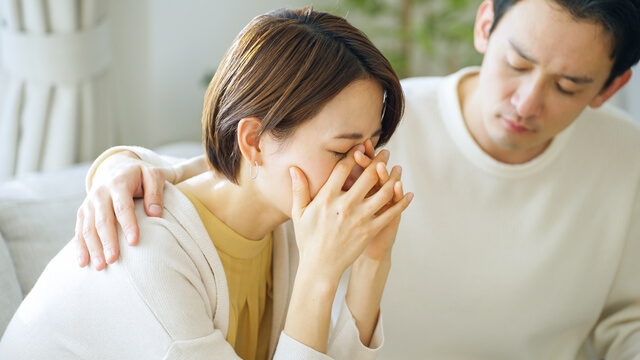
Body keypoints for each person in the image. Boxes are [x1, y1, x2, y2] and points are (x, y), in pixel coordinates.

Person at [65, 0, 640, 359]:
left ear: (609, 89)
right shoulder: (157, 252)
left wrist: (368, 268)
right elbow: (223, 165)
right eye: (517, 63)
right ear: (485, 24)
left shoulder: (288, 227)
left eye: (567, 85)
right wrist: (119, 165)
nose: (527, 100)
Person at [0, 7, 414, 360]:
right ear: (253, 142)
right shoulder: (150, 257)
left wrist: (370, 263)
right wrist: (319, 276)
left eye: (371, 145)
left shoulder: (284, 223)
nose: (365, 169)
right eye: (342, 150)